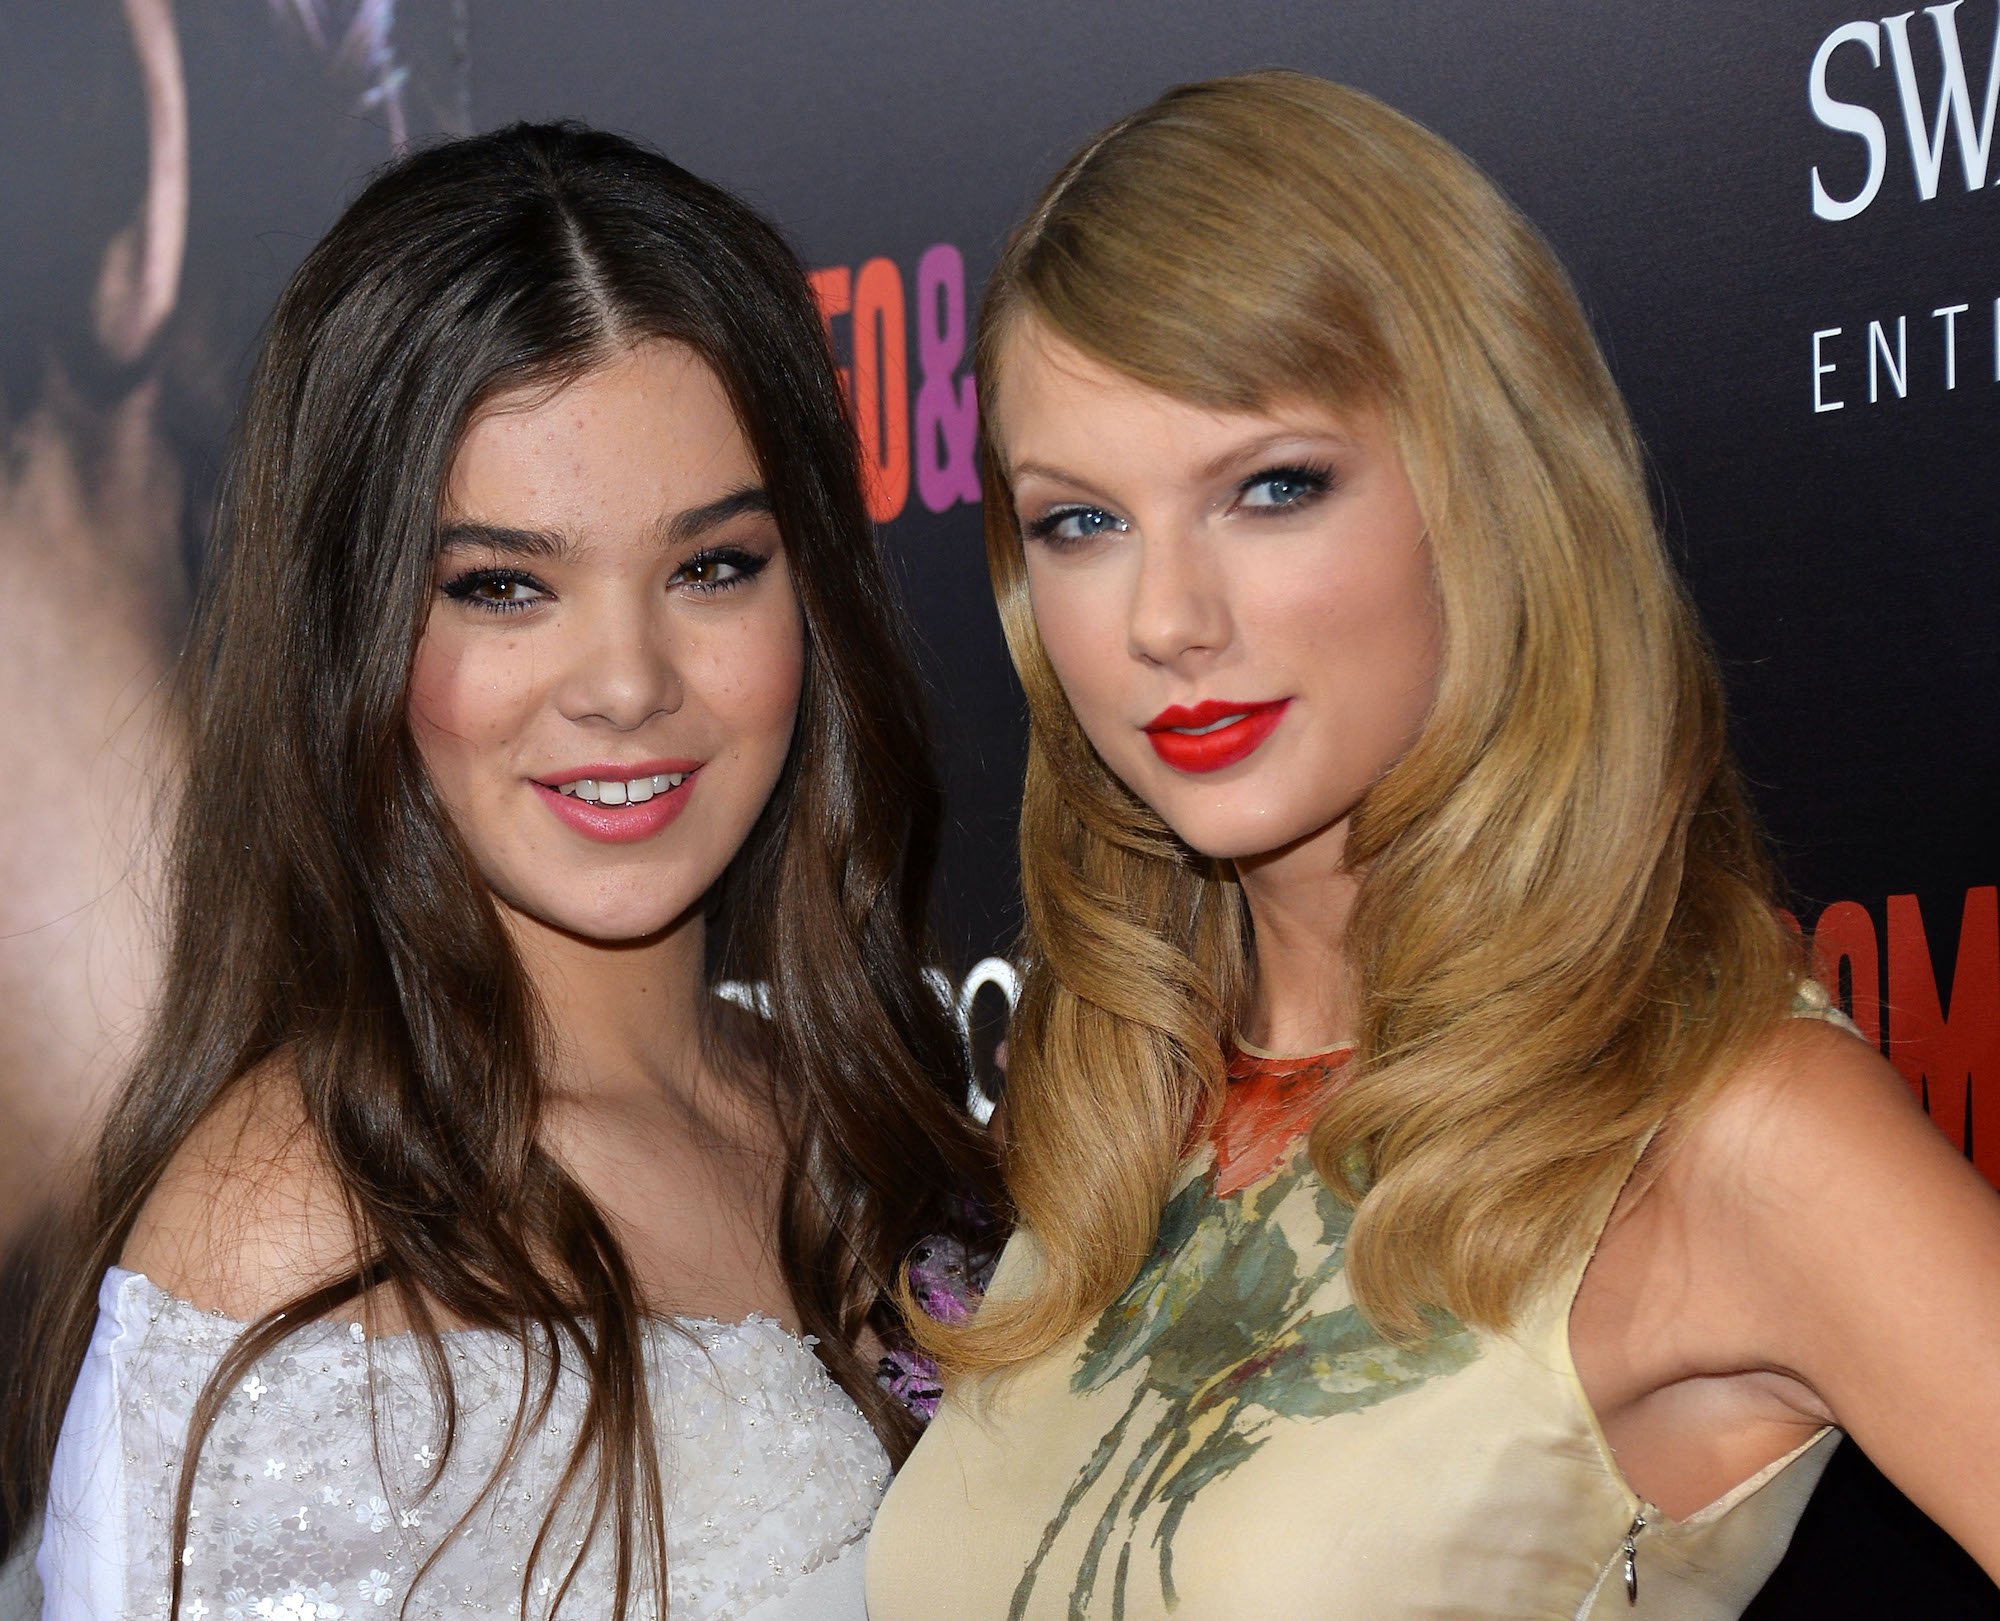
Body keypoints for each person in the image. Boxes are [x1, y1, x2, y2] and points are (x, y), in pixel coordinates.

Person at [866, 72, 2000, 1618]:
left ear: (1490, 484)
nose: (1164, 619)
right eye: (1081, 521)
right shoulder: (1120, 1121)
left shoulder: (1728, 1133)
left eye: (1273, 488)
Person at [2, 120, 997, 1620]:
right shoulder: (298, 1231)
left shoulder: (858, 1107)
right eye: (503, 586)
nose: (623, 680)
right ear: (356, 635)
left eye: (713, 565)